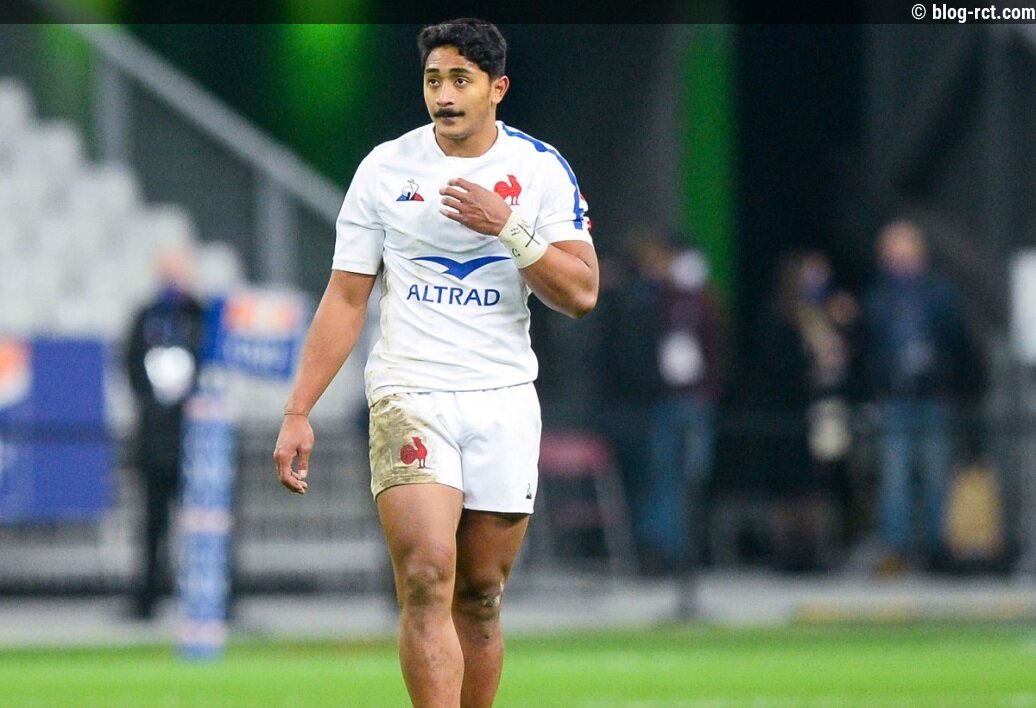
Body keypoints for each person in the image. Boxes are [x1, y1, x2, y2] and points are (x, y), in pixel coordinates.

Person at [272, 19, 597, 707]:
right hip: (410, 390)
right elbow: (345, 297)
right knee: (424, 577)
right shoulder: (385, 170)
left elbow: (581, 293)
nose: (444, 95)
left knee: (480, 595)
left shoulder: (539, 170)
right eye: (432, 80)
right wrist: (298, 409)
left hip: (503, 397)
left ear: (497, 88)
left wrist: (507, 225)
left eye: (460, 80)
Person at [597, 229, 727, 576]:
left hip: (695, 399)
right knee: (661, 479)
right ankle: (660, 551)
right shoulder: (652, 296)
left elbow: (715, 346)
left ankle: (684, 552)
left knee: (692, 477)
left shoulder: (702, 298)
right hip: (663, 400)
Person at [859, 219, 983, 575]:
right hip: (894, 397)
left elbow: (959, 341)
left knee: (936, 474)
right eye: (893, 251)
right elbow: (868, 346)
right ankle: (895, 550)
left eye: (905, 250)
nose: (900, 258)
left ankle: (935, 549)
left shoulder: (940, 294)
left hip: (934, 396)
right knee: (894, 478)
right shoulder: (876, 296)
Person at [751, 250, 858, 572]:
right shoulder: (778, 318)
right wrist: (811, 361)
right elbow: (775, 365)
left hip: (822, 415)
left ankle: (816, 552)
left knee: (818, 487)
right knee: (789, 489)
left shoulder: (824, 316)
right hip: (787, 416)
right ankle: (787, 553)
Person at [125, 243, 205, 619]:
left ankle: (209, 595)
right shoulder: (145, 316)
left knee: (205, 519)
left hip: (196, 437)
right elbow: (130, 367)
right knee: (152, 521)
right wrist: (155, 405)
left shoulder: (200, 315)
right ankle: (148, 596)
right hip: (155, 437)